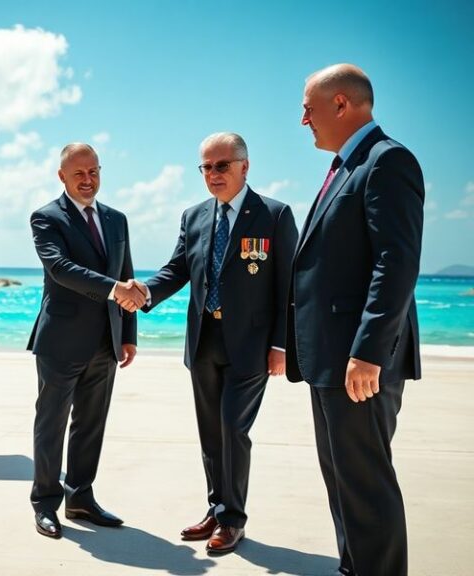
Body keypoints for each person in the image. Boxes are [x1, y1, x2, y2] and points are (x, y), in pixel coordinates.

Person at [120, 132, 297, 555]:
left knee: (234, 428)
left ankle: (233, 519)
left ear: (244, 166)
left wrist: (282, 345)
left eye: (222, 165)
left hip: (251, 346)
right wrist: (144, 291)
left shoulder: (274, 214)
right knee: (211, 433)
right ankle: (217, 509)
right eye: (206, 167)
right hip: (203, 341)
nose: (213, 174)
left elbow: (288, 285)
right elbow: (177, 268)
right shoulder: (194, 216)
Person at [287, 64, 424, 576]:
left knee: (365, 484)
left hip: (358, 363)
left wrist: (368, 351)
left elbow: (397, 262)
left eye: (308, 107)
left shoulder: (386, 162)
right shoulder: (346, 166)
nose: (304, 120)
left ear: (341, 104)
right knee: (343, 481)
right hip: (330, 359)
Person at [27, 142, 144, 539]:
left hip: (106, 341)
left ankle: (80, 498)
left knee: (91, 424)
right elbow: (61, 269)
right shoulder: (46, 218)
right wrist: (115, 289)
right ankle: (45, 503)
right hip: (60, 341)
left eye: (94, 171)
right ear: (62, 176)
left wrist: (127, 334)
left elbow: (125, 271)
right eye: (79, 173)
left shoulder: (117, 219)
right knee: (51, 424)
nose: (88, 179)